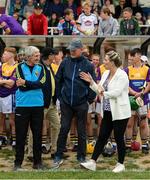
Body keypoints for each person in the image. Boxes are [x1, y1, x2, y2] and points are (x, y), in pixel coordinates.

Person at [80, 50, 131, 173]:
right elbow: (99, 90)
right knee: (102, 136)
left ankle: (121, 164)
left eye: (106, 60)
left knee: (118, 137)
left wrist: (103, 92)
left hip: (120, 112)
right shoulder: (105, 73)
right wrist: (91, 82)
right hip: (107, 111)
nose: (104, 62)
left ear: (113, 62)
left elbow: (117, 92)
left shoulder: (122, 74)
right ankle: (92, 162)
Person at [53, 39, 96, 168]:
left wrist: (88, 99)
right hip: (66, 103)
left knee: (81, 130)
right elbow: (58, 80)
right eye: (70, 48)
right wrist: (60, 97)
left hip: (81, 103)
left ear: (81, 49)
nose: (71, 51)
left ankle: (81, 155)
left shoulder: (88, 65)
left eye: (74, 49)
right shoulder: (65, 62)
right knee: (64, 128)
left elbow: (92, 83)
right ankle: (59, 154)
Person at [14, 46, 46, 171]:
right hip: (22, 106)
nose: (38, 58)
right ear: (28, 57)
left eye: (38, 55)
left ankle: (38, 163)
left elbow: (42, 84)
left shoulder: (41, 67)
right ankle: (18, 164)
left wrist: (26, 82)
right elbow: (21, 87)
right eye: (36, 55)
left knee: (37, 136)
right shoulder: (19, 67)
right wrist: (32, 84)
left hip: (38, 106)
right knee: (21, 136)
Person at [124, 48, 150, 154]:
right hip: (131, 100)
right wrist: (134, 93)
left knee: (143, 123)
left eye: (133, 56)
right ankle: (128, 145)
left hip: (143, 100)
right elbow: (125, 85)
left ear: (138, 56)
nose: (131, 59)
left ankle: (144, 145)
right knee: (129, 123)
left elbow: (149, 84)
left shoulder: (147, 69)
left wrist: (142, 93)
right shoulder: (127, 70)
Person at [40, 47, 60, 158]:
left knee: (57, 125)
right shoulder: (40, 67)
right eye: (54, 54)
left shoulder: (49, 67)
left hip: (52, 102)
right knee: (36, 127)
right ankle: (31, 152)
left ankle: (54, 150)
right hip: (43, 103)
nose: (55, 57)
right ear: (49, 56)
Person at [0, 47, 18, 149]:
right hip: (1, 95)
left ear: (11, 55)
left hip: (11, 95)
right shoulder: (3, 66)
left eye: (5, 54)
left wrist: (3, 82)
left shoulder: (17, 67)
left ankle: (14, 139)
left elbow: (11, 84)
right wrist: (5, 82)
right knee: (1, 118)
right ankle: (1, 138)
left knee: (12, 119)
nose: (3, 55)